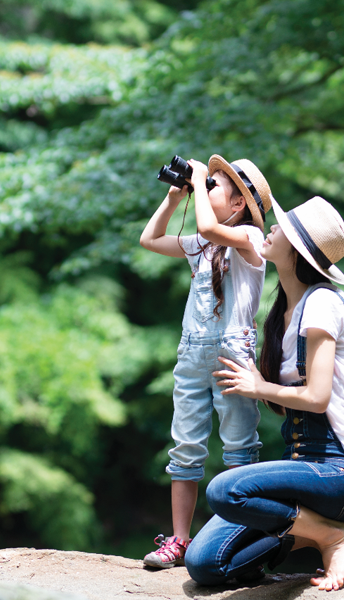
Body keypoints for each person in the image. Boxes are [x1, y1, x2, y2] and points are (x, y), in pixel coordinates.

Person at [183, 196, 344, 592]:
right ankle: (307, 532)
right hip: (302, 468)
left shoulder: (322, 302)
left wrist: (259, 386)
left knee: (225, 489)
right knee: (205, 564)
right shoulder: (281, 311)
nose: (271, 228)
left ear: (298, 251)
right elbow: (282, 401)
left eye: (281, 229)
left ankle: (333, 536)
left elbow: (318, 398)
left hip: (340, 470)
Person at [138, 155, 274, 569]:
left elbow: (208, 227)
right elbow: (150, 239)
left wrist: (198, 179)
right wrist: (174, 198)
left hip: (232, 355)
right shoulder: (204, 244)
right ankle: (179, 540)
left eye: (214, 186)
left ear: (238, 205)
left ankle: (235, 535)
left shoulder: (250, 237)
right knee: (185, 447)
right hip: (192, 354)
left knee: (238, 448)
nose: (205, 188)